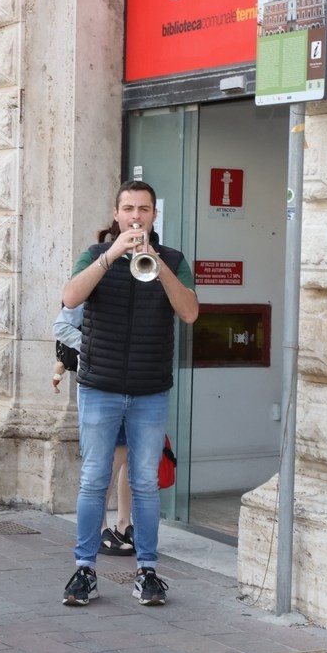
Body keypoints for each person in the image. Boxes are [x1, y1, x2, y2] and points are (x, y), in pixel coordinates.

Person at [60, 181, 198, 607]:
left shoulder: (172, 259)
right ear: (116, 214)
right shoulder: (94, 255)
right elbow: (69, 298)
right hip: (100, 386)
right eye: (128, 209)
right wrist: (110, 255)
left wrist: (156, 261)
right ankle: (85, 569)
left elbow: (190, 312)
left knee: (143, 483)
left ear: (155, 215)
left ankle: (147, 571)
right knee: (93, 480)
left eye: (144, 209)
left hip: (149, 390)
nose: (136, 216)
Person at [52, 304, 133, 556]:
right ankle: (99, 528)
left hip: (136, 377)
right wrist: (93, 346)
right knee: (111, 455)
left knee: (131, 453)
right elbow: (62, 326)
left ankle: (124, 523)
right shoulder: (93, 277)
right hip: (101, 379)